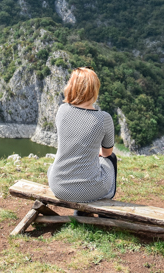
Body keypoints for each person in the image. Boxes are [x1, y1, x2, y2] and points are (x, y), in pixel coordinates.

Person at [47, 67, 117, 206]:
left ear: (72, 86)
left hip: (58, 186)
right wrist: (94, 152)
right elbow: (106, 152)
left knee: (52, 167)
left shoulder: (62, 110)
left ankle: (80, 208)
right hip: (90, 190)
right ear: (94, 89)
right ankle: (106, 206)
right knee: (111, 158)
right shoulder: (103, 118)